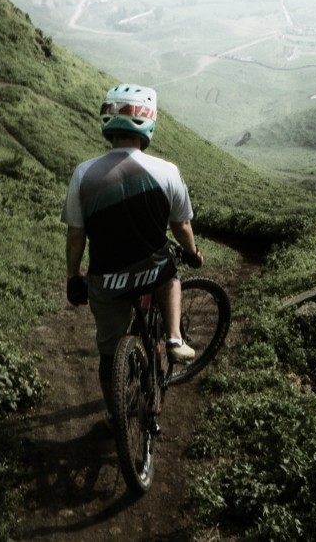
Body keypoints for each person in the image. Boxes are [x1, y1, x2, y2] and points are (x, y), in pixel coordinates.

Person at [61, 83, 204, 422]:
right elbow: (181, 227)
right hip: (152, 271)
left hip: (106, 281)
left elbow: (76, 236)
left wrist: (73, 278)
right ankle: (173, 337)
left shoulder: (84, 174)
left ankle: (116, 417)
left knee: (110, 359)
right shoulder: (167, 171)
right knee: (171, 278)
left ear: (107, 124)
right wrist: (194, 253)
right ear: (148, 125)